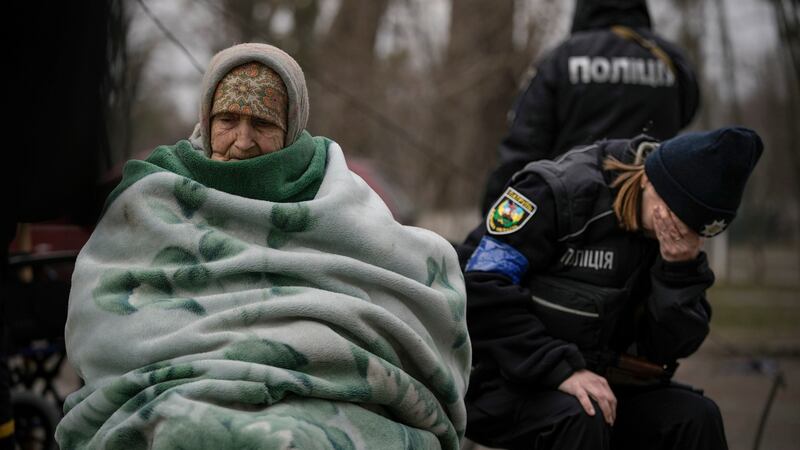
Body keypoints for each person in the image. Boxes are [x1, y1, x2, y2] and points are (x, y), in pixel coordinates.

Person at [55, 43, 471, 450]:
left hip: (325, 395)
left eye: (263, 124)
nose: (242, 140)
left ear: (290, 127)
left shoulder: (331, 188)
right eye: (228, 119)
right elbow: (103, 307)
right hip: (171, 386)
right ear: (206, 117)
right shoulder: (156, 193)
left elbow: (402, 270)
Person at [459, 126, 762, 449]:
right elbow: (480, 288)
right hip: (501, 378)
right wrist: (559, 369)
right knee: (582, 414)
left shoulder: (677, 245)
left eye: (695, 231)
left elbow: (668, 349)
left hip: (602, 383)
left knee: (696, 417)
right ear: (650, 179)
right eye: (678, 217)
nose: (678, 232)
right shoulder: (556, 191)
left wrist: (678, 273)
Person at [481, 0, 700, 212]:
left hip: (573, 223)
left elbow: (524, 148)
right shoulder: (670, 60)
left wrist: (493, 221)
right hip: (654, 222)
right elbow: (688, 113)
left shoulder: (561, 59)